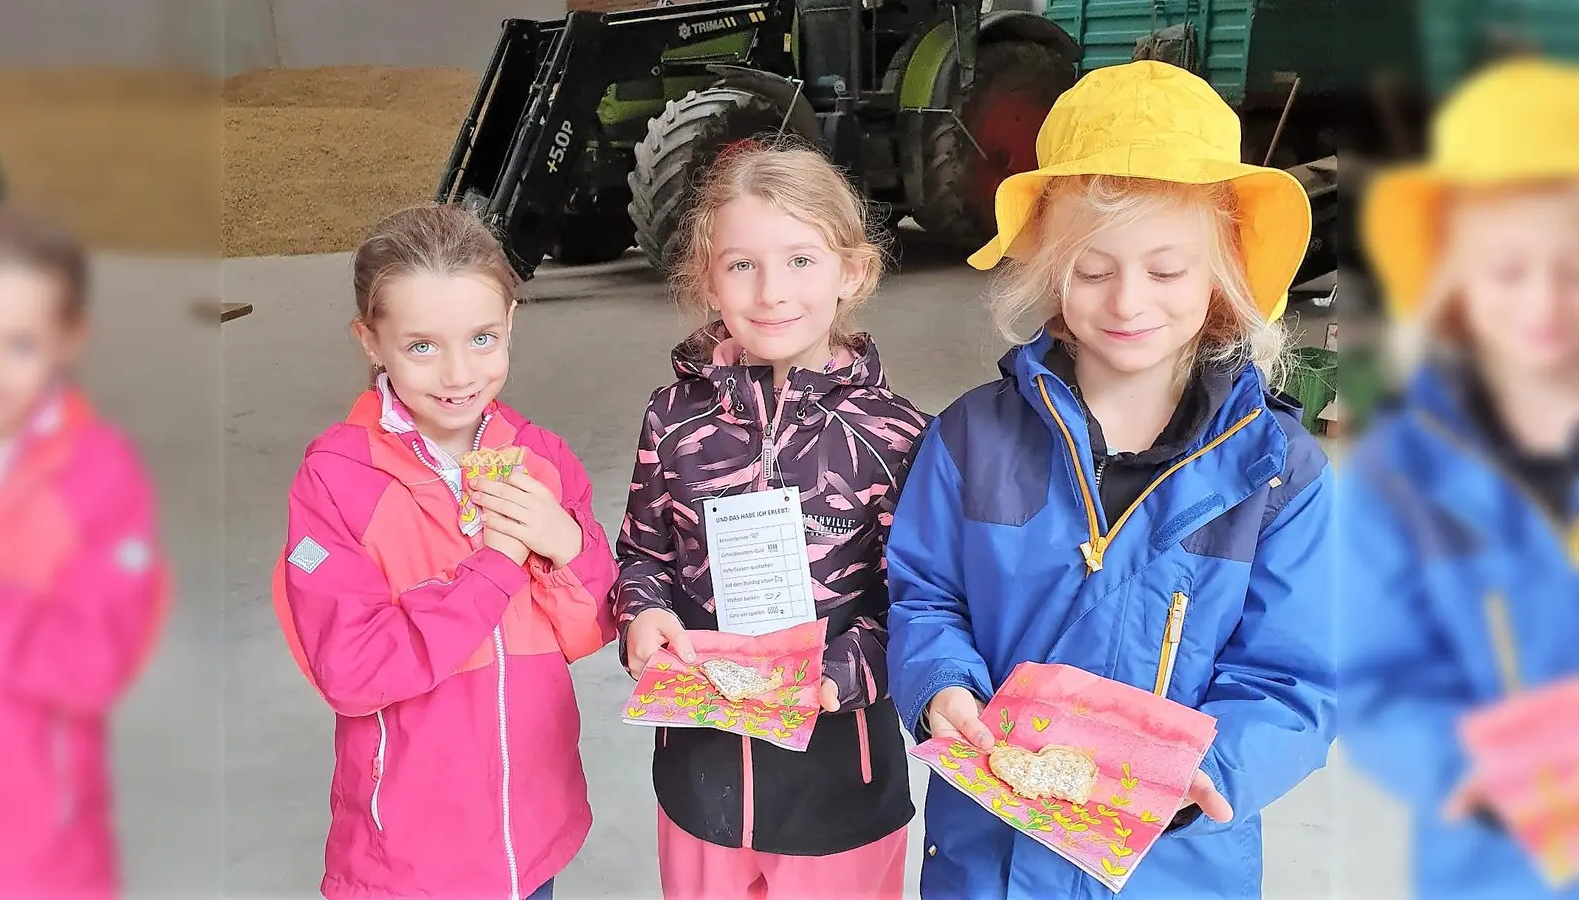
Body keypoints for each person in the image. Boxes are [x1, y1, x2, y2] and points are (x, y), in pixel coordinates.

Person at [885, 60, 1336, 899]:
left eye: (1166, 272)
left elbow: (1291, 678)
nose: (1128, 302)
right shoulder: (969, 440)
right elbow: (926, 597)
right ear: (1049, 270)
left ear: (1223, 274)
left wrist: (1212, 773)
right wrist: (940, 682)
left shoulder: (1277, 473)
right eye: (1093, 271)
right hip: (991, 861)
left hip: (1174, 869)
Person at [270, 203, 618, 900]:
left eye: (483, 339)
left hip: (531, 838)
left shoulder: (542, 459)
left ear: (511, 323)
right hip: (410, 857)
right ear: (371, 341)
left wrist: (564, 544)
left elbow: (591, 629)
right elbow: (352, 670)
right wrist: (494, 568)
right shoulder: (337, 480)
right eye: (422, 347)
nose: (459, 374)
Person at [610, 139, 927, 899]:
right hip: (701, 779)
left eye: (801, 260)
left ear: (853, 271)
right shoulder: (673, 419)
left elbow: (920, 606)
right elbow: (642, 556)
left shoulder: (899, 436)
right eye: (741, 264)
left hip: (839, 787)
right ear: (707, 279)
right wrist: (642, 615)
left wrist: (842, 672)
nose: (771, 291)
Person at [1339, 58, 1579, 899]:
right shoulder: (1402, 473)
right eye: (1508, 270)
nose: (1544, 302)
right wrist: (1458, 768)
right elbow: (1373, 676)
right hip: (1493, 861)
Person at [0, 202, 170, 897]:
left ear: (69, 339)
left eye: (19, 344)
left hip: (39, 861)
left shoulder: (98, 477)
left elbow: (92, 666)